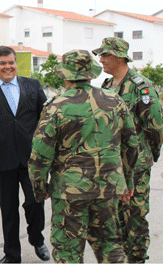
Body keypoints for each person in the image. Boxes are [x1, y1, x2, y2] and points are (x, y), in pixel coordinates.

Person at [28, 49, 139, 263]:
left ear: (65, 74)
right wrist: (128, 180)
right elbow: (131, 143)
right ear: (91, 73)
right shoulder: (114, 100)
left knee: (68, 251)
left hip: (70, 191)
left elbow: (40, 153)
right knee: (110, 246)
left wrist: (40, 188)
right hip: (108, 188)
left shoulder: (57, 106)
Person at [0, 45, 49, 264]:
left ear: (16, 63)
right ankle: (12, 255)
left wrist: (46, 156)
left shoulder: (33, 86)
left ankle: (36, 238)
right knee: (8, 210)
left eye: (11, 62)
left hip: (32, 158)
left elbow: (45, 122)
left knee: (35, 202)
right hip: (1, 159)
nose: (8, 67)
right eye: (3, 63)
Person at [92, 37, 163, 263]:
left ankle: (137, 259)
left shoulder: (141, 87)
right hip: (112, 166)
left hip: (135, 165)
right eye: (101, 55)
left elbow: (156, 127)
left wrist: (147, 155)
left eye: (105, 55)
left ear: (119, 57)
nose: (101, 60)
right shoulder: (106, 86)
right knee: (114, 218)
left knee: (135, 217)